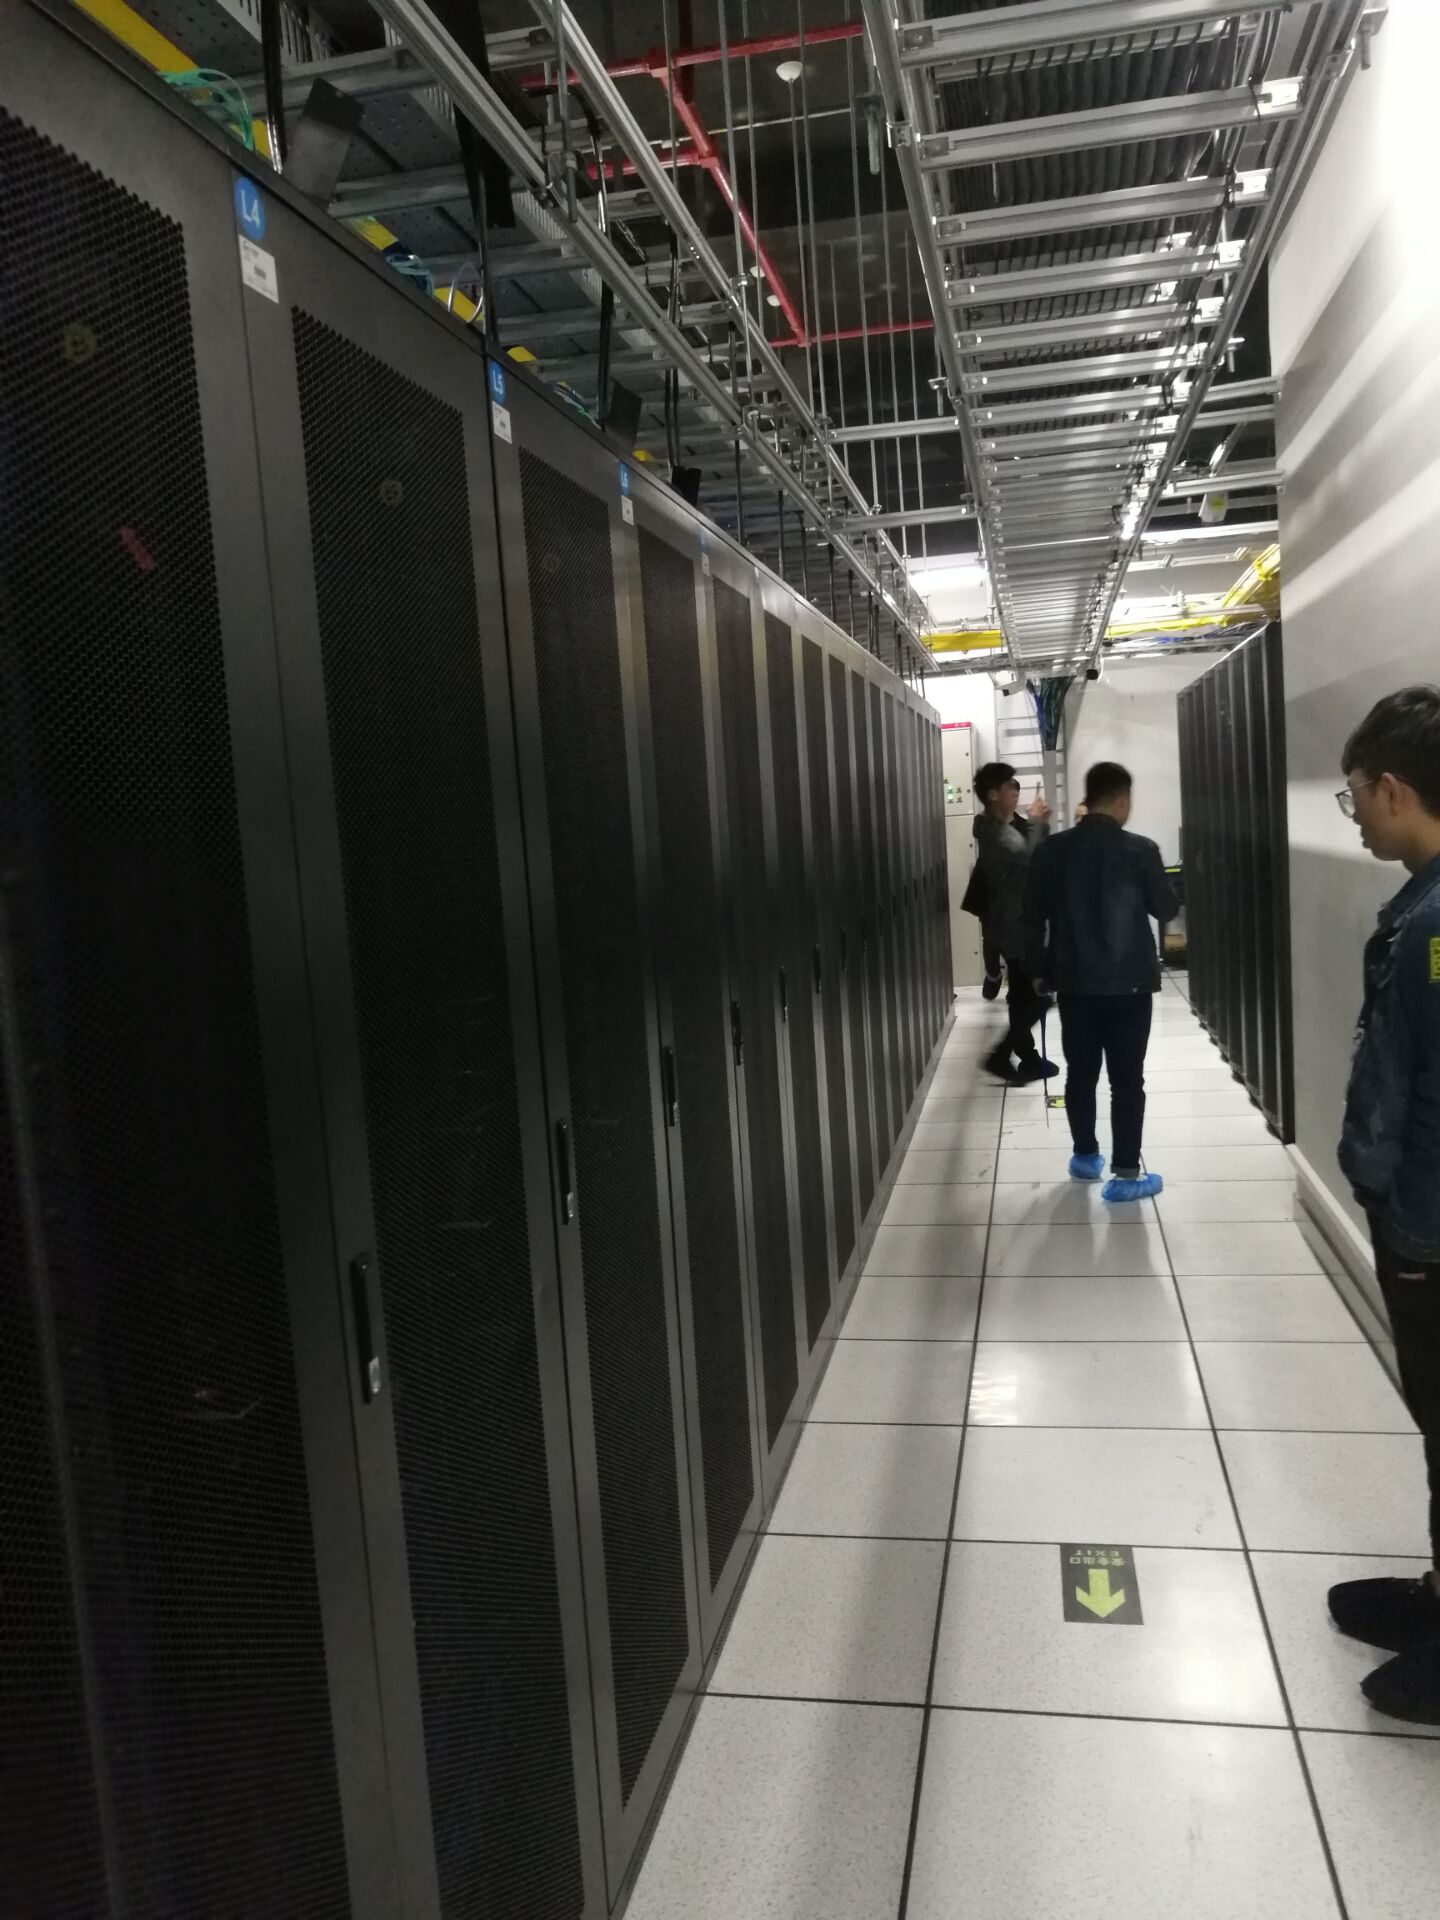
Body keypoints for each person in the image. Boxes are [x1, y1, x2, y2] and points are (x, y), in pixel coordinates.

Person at [1325, 686, 1440, 1726]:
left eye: (1355, 793)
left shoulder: (1437, 922)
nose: (1354, 812)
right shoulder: (1423, 908)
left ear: (1394, 789)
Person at [1023, 761, 1178, 1203]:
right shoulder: (1141, 850)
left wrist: (1038, 972)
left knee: (1081, 1074)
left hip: (1074, 983)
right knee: (1127, 1080)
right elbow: (1166, 908)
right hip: (1131, 985)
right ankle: (1126, 1175)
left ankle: (1085, 1157)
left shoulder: (1051, 851)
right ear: (1123, 799)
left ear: (1088, 798)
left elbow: (1031, 916)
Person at [973, 761, 1055, 1083]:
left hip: (1018, 922)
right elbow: (1027, 857)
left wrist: (1037, 824)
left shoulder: (1000, 826)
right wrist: (1036, 822)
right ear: (993, 794)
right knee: (1038, 996)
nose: (1014, 791)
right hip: (1014, 926)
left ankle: (1019, 1057)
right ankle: (1003, 1055)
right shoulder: (992, 830)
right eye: (1009, 786)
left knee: (1025, 995)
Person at [972, 811, 1004, 999]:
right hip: (988, 891)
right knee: (990, 940)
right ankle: (993, 975)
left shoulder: (1018, 825)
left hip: (1011, 889)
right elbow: (978, 831)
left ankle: (1015, 985)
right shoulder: (983, 821)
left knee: (1015, 941)